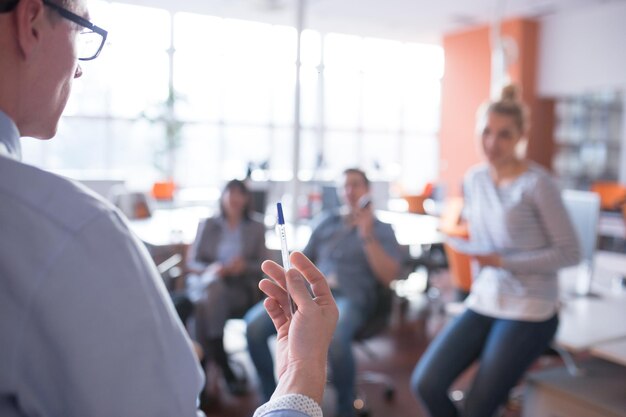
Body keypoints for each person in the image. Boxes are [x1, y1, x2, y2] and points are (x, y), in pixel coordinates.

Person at [0, 1, 338, 416]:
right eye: (80, 33)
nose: (79, 68)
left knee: (206, 298)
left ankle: (218, 362)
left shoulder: (54, 230)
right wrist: (304, 372)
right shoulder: (72, 233)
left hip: (233, 291)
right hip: (220, 295)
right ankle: (221, 365)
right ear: (30, 21)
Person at [410, 85, 581, 417]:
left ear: (520, 136)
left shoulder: (537, 184)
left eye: (504, 135)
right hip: (487, 298)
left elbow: (570, 253)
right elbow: (486, 240)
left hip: (531, 308)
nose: (492, 143)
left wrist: (502, 261)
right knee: (426, 383)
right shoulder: (475, 180)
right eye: (486, 132)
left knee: (478, 407)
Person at [246, 168, 403, 417]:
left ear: (367, 191)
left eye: (356, 185)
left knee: (338, 338)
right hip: (309, 295)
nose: (350, 191)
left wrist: (366, 233)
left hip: (352, 298)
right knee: (253, 326)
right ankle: (274, 398)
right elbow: (301, 259)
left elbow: (389, 276)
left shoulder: (381, 229)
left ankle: (345, 409)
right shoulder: (327, 222)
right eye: (345, 186)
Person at [186, 179, 267, 396]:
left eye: (239, 194)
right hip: (207, 285)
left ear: (247, 198)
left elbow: (263, 264)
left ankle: (204, 370)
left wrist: (243, 266)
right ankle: (222, 362)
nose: (234, 198)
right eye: (230, 193)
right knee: (212, 289)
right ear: (222, 197)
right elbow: (192, 263)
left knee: (204, 306)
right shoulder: (208, 224)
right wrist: (211, 269)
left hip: (238, 289)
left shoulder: (257, 227)